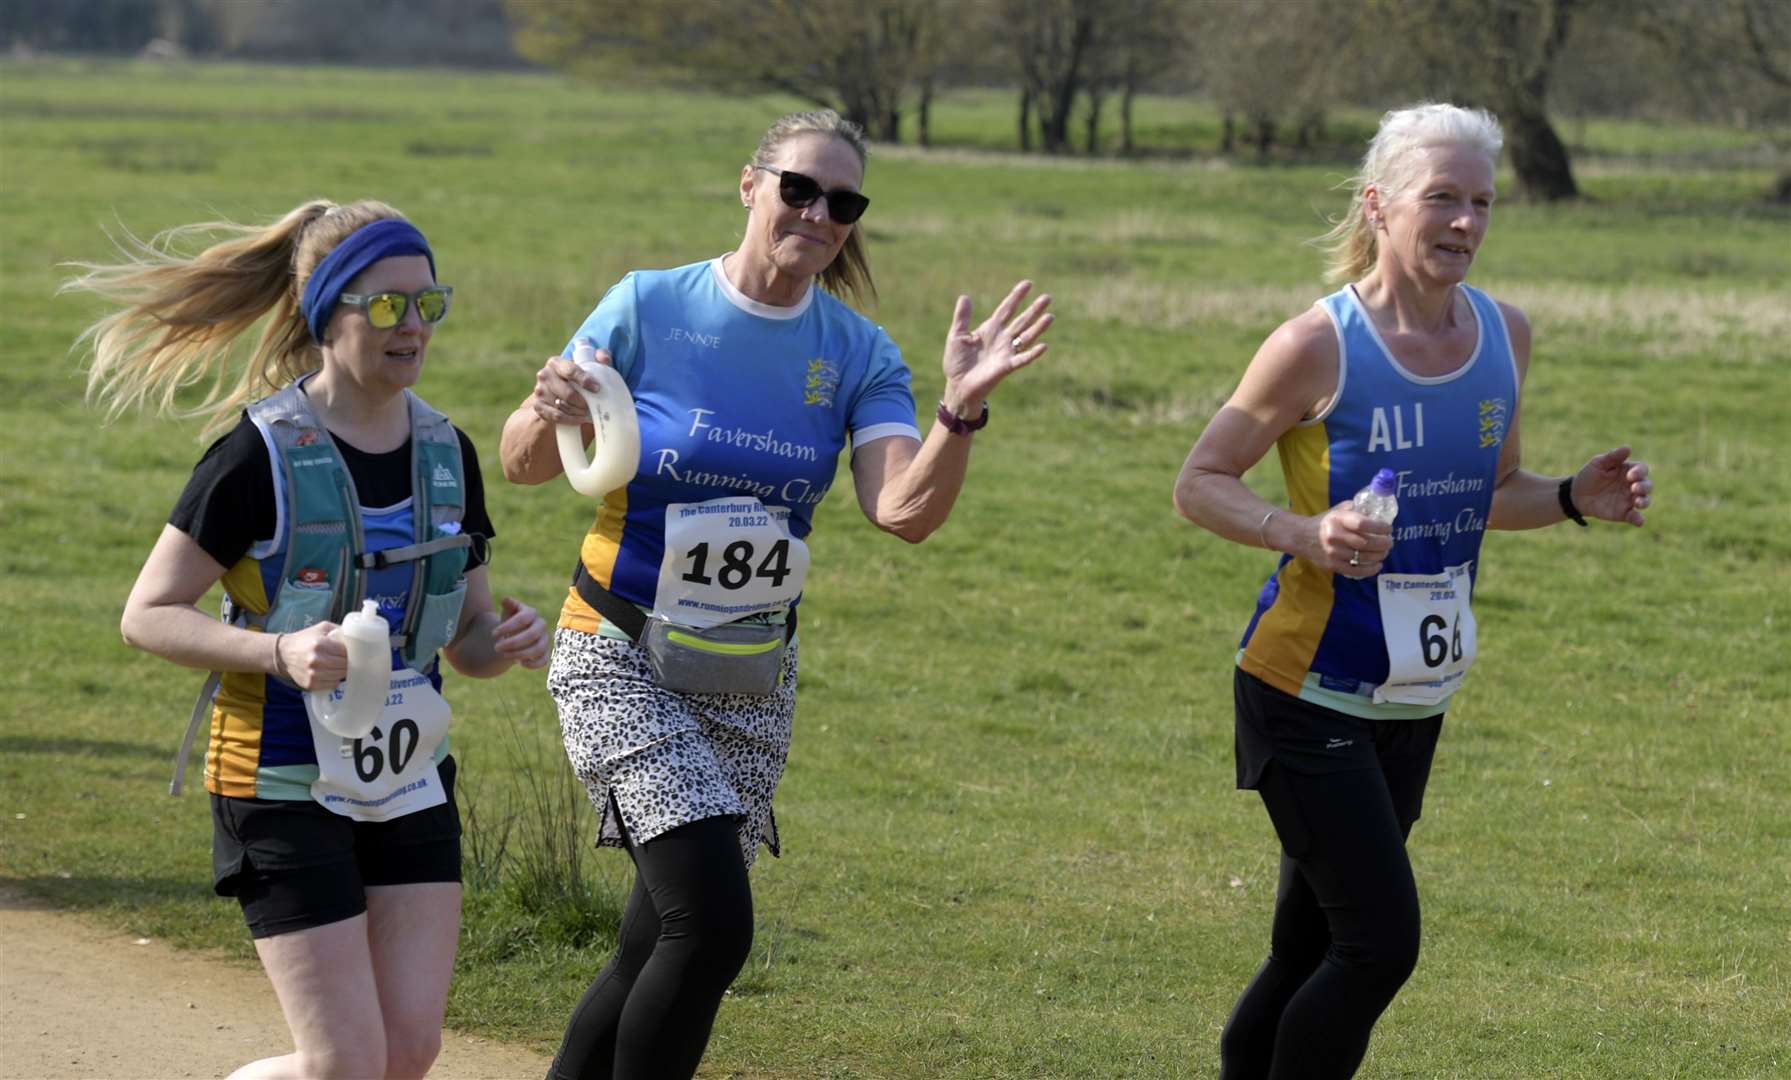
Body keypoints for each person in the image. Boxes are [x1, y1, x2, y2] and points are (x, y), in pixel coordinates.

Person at [499, 109, 1052, 1080]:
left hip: (750, 676)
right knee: (710, 928)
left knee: (655, 940)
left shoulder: (856, 348)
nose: (819, 213)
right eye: (799, 188)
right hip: (617, 650)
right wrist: (547, 412)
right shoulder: (646, 305)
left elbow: (903, 511)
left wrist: (959, 413)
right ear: (750, 186)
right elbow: (522, 464)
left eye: (843, 201)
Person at [1171, 103, 1653, 1079]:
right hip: (1303, 690)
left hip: (1411, 697)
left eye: (1482, 202)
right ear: (1379, 206)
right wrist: (1300, 531)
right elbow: (1200, 480)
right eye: (1442, 198)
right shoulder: (1318, 345)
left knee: (1310, 949)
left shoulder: (1505, 336)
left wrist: (1568, 497)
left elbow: (1491, 493)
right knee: (1380, 947)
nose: (1467, 222)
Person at [68, 199, 552, 1080]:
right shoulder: (255, 455)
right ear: (326, 313)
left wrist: (508, 636)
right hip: (278, 775)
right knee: (342, 1064)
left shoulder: (448, 454)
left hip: (405, 781)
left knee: (406, 1052)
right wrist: (276, 653)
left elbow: (469, 643)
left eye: (427, 304)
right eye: (385, 307)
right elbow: (147, 614)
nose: (412, 327)